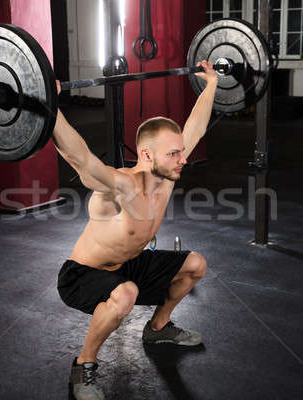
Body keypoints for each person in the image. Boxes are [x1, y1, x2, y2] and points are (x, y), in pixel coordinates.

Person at [52, 60, 218, 400]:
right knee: (124, 294)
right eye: (174, 153)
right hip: (82, 275)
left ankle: (157, 328)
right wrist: (49, 107)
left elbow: (197, 127)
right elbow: (81, 160)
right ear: (146, 154)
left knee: (195, 264)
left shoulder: (167, 174)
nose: (182, 159)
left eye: (180, 152)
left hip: (127, 265)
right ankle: (83, 366)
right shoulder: (123, 185)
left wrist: (212, 83)